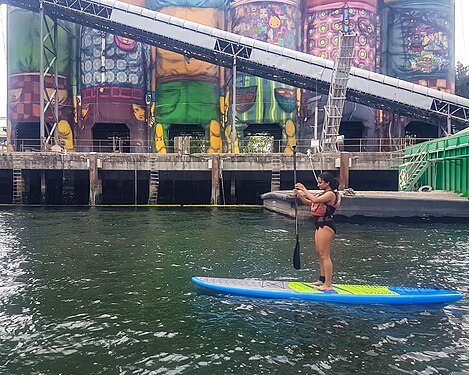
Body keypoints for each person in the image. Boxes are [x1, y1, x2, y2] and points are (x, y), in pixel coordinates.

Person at [293, 172, 341, 291]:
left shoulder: (330, 194)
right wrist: (300, 195)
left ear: (327, 183)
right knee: (319, 253)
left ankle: (328, 285)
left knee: (325, 255)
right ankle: (322, 279)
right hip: (319, 225)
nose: (318, 184)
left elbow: (314, 198)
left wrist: (304, 189)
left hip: (326, 225)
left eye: (320, 182)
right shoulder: (323, 193)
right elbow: (310, 202)